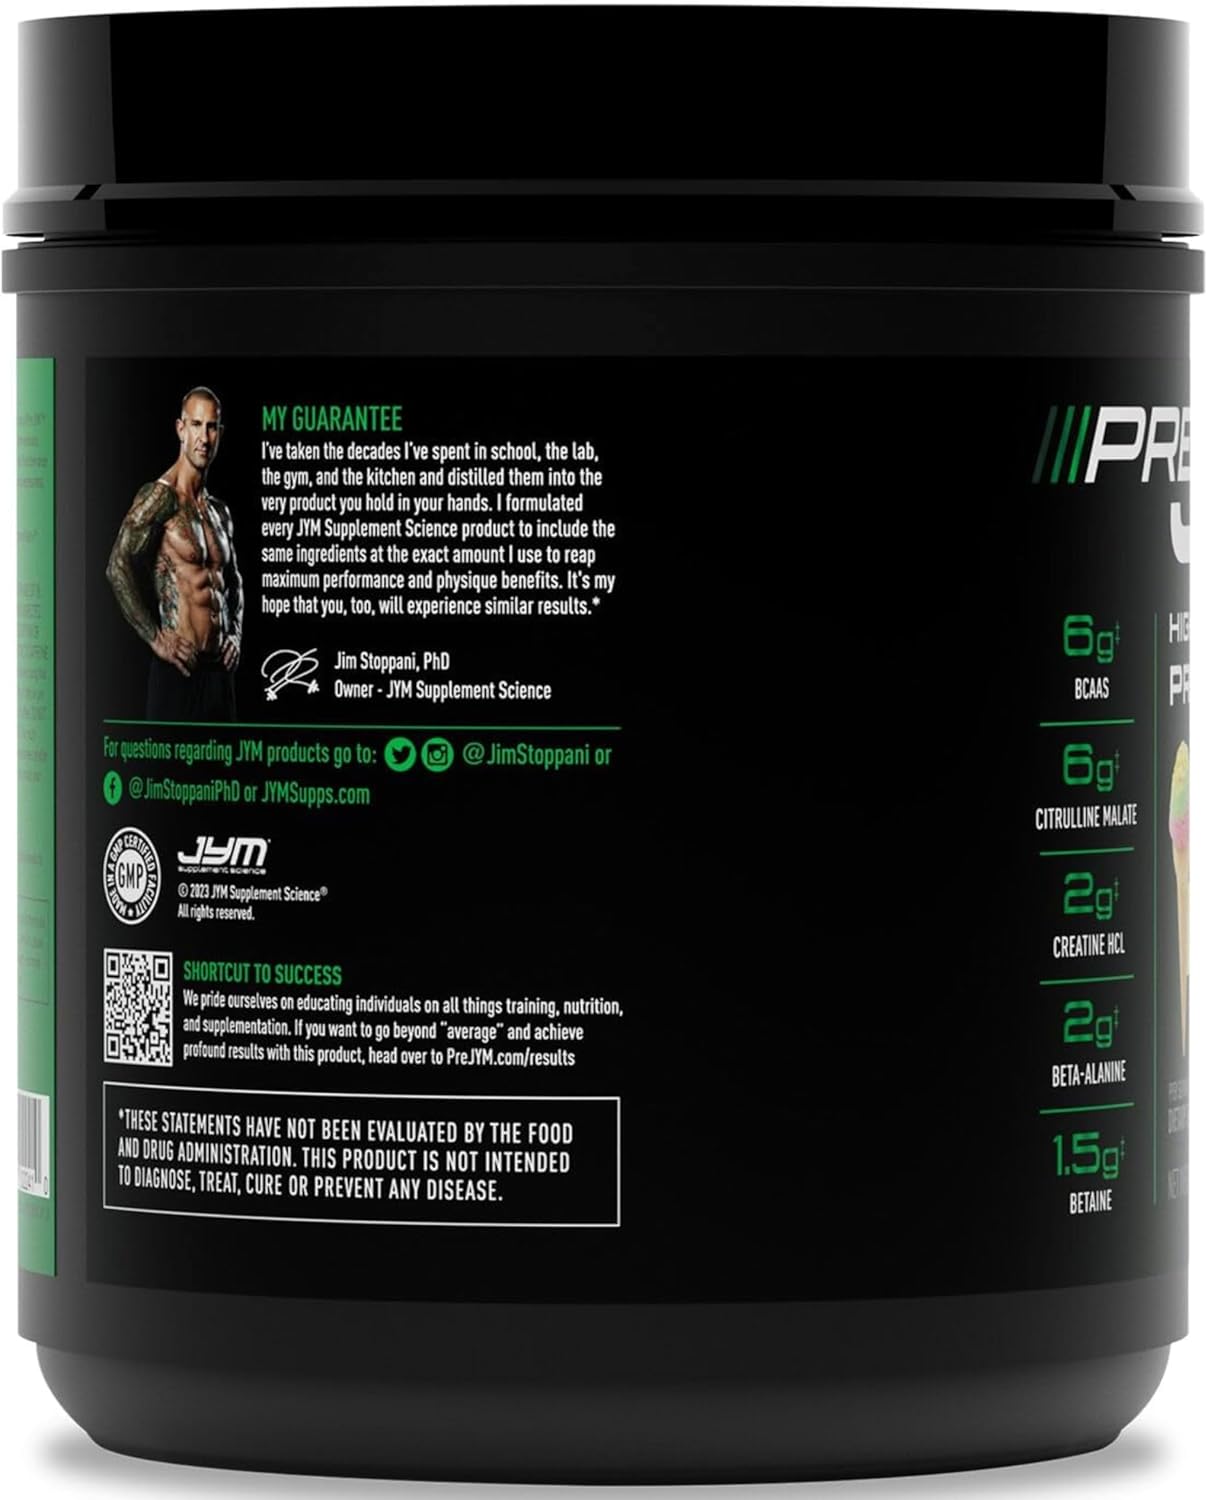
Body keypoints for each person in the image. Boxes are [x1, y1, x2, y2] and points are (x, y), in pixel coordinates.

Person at [106, 386, 244, 721]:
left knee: (227, 757)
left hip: (219, 675)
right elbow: (117, 566)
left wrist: (236, 634)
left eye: (212, 427)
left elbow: (234, 580)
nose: (204, 438)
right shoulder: (160, 498)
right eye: (196, 425)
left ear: (220, 433)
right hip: (178, 671)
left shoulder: (219, 512)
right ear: (181, 429)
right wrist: (156, 638)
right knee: (168, 757)